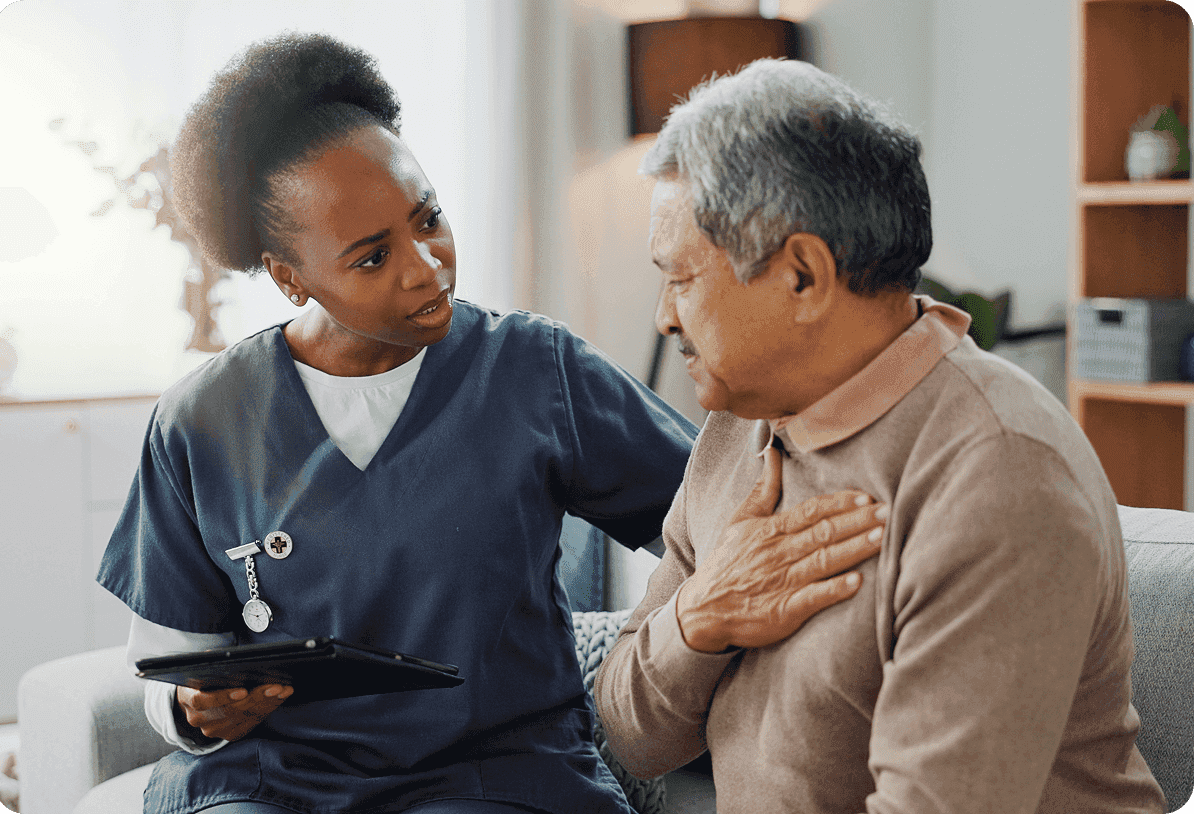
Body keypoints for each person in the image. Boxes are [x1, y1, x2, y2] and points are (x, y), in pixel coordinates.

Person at [95, 35, 883, 814]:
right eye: (372, 258)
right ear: (290, 277)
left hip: (496, 774)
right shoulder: (201, 421)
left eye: (428, 218)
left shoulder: (534, 370)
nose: (427, 265)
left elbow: (719, 516)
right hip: (273, 783)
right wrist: (196, 713)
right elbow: (169, 667)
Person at [592, 59, 1167, 814]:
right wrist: (701, 617)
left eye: (682, 278)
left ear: (802, 275)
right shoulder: (740, 421)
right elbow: (630, 739)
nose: (666, 316)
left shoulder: (999, 472)